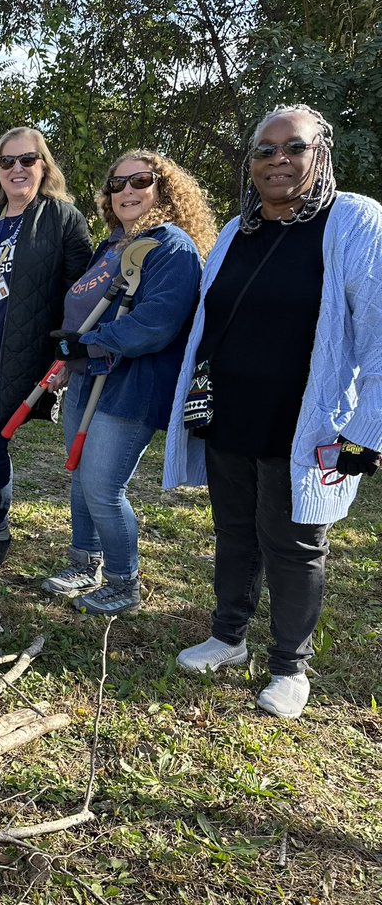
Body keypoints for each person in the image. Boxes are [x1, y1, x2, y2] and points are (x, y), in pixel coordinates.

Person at [164, 105, 382, 719]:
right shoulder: (238, 230)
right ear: (251, 162)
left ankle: (290, 665)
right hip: (232, 411)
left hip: (306, 422)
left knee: (293, 542)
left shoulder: (354, 220)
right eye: (264, 150)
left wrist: (366, 433)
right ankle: (228, 636)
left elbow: (379, 333)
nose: (278, 160)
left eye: (294, 147)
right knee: (235, 532)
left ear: (321, 154)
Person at [42, 150, 216, 615]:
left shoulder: (171, 247)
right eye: (117, 184)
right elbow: (82, 314)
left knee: (102, 485)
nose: (127, 192)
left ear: (163, 187)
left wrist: (90, 345)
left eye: (140, 181)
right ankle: (84, 561)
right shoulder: (112, 246)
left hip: (131, 386)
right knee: (79, 475)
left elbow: (156, 324)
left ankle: (123, 582)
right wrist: (70, 357)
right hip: (86, 376)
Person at [0, 127, 91, 570]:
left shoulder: (63, 219)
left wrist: (66, 353)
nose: (17, 169)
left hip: (22, 357)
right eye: (7, 161)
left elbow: (79, 291)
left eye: (27, 160)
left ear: (43, 166)